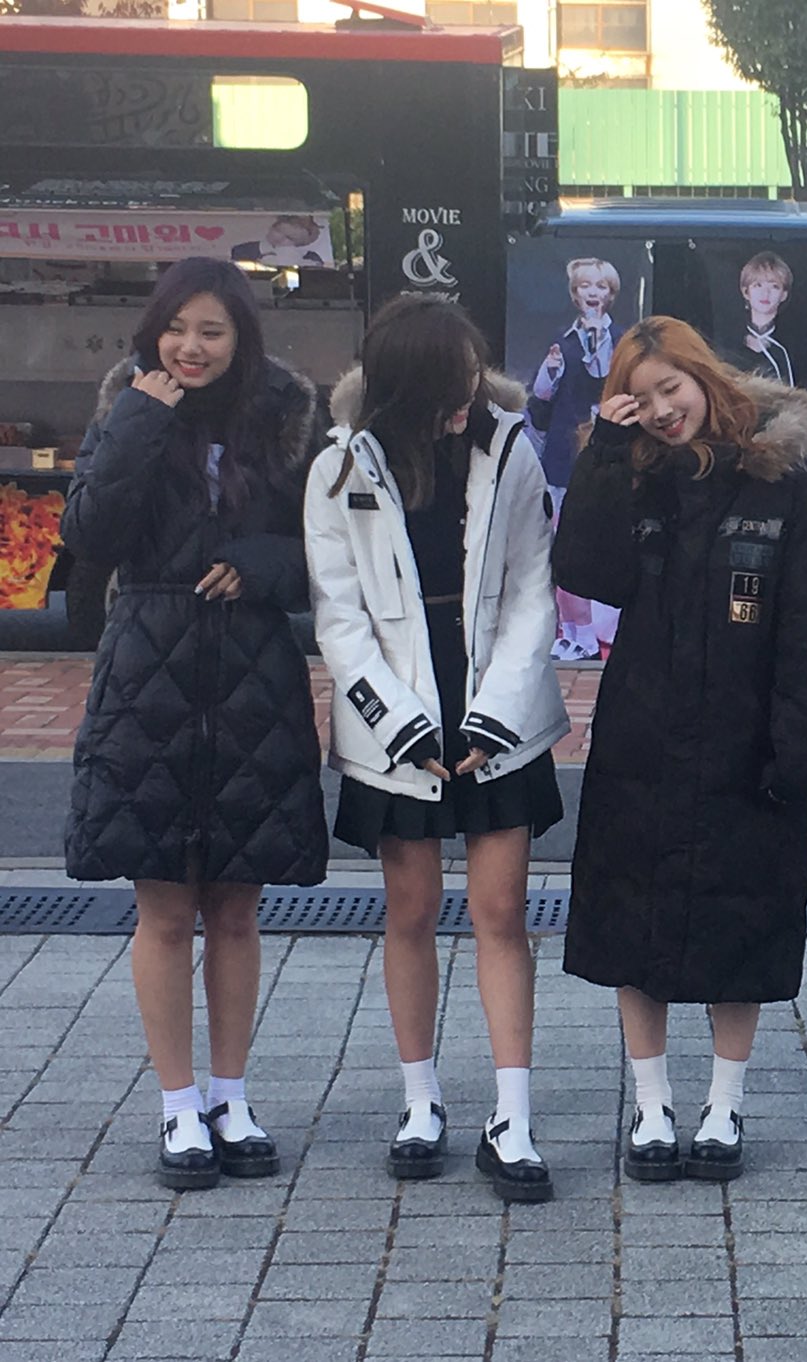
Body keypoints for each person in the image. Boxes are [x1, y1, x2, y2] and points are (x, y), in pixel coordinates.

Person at [554, 316, 807, 1184]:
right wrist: (606, 453)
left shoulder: (782, 476)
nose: (661, 409)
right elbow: (587, 571)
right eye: (639, 398)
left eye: (670, 388)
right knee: (630, 921)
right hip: (642, 733)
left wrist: (800, 745)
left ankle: (724, 1103)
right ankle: (651, 1105)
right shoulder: (635, 474)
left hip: (745, 739)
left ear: (704, 376)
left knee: (739, 920)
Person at [62, 256, 327, 1190]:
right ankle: (178, 1105)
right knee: (166, 908)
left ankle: (230, 1095)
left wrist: (267, 562)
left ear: (240, 335)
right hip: (150, 675)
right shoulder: (126, 405)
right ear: (155, 330)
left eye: (212, 330)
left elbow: (328, 546)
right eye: (178, 328)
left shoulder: (287, 414)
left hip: (254, 677)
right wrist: (140, 417)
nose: (192, 347)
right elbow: (88, 536)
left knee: (238, 909)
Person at [304, 295, 569, 1203]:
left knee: (502, 911)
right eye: (451, 378)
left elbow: (535, 591)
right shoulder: (340, 465)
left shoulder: (510, 448)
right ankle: (420, 1102)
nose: (469, 391)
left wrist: (496, 715)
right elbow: (339, 618)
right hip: (398, 710)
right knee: (410, 909)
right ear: (405, 384)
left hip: (496, 702)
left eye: (473, 371)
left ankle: (512, 1116)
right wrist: (399, 724)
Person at [530, 257, 621, 661]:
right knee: (561, 548)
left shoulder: (621, 340)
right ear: (575, 293)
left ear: (610, 294)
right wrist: (550, 372)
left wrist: (599, 342)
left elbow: (606, 380)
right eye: (586, 286)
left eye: (600, 286)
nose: (593, 293)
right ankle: (573, 633)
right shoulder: (562, 340)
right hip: (562, 458)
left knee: (594, 545)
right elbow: (540, 403)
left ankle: (595, 631)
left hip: (602, 456)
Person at [736, 251, 796, 386]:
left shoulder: (786, 349)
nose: (765, 293)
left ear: (783, 295)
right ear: (746, 292)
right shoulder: (730, 345)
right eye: (758, 285)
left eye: (774, 287)